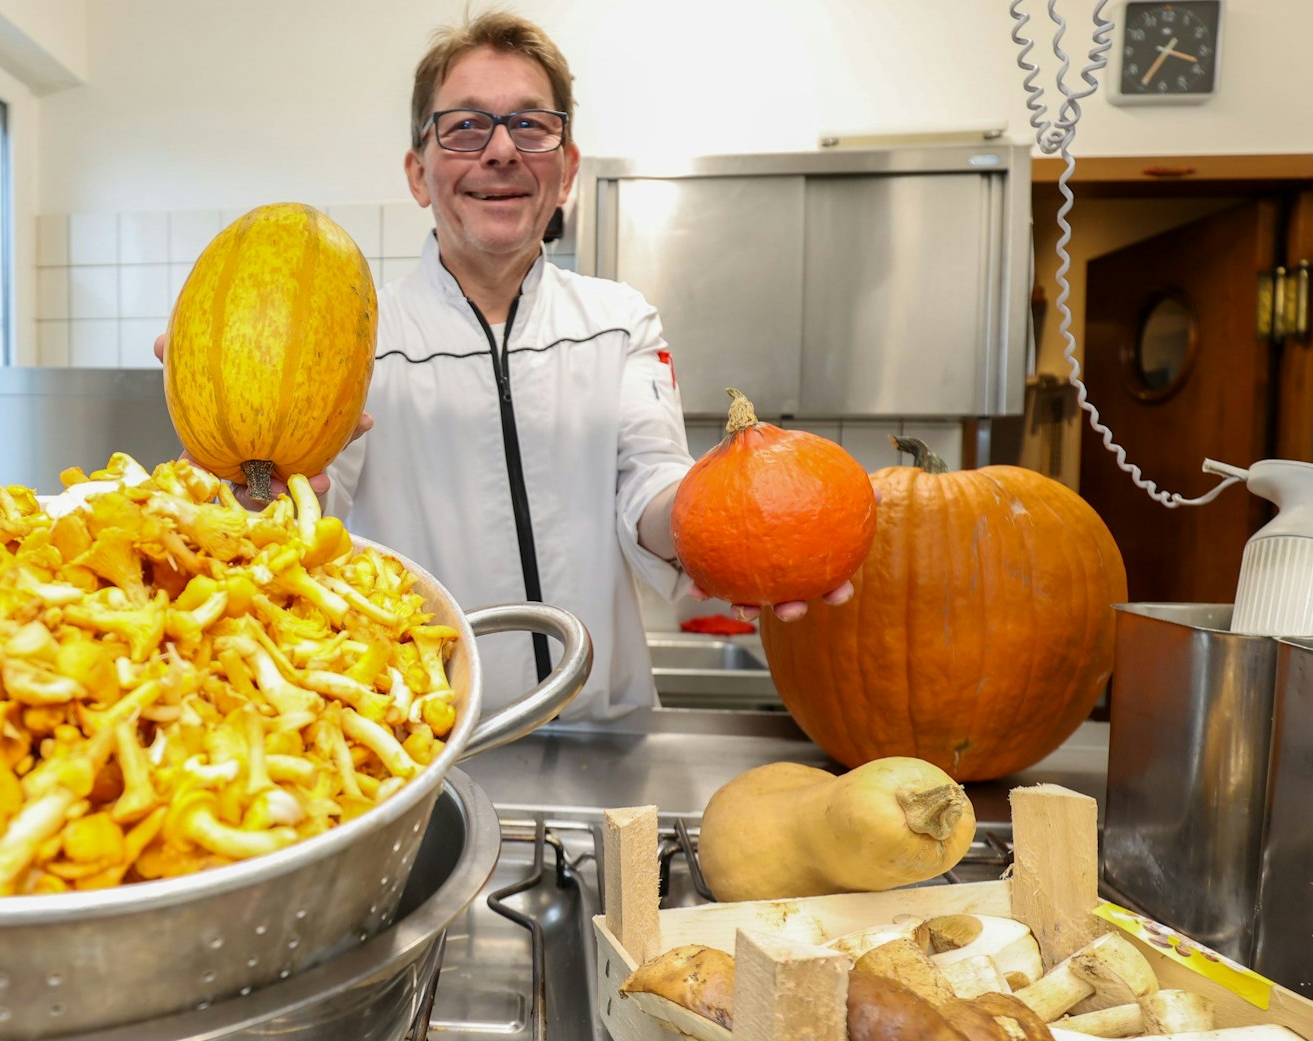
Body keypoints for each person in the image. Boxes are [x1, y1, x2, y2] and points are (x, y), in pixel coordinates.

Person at [164, 11, 853, 723]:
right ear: (418, 173)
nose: (500, 151)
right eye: (465, 126)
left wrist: (727, 530)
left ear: (568, 170)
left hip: (604, 741)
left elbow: (652, 481)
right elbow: (303, 517)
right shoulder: (353, 338)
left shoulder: (618, 322)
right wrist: (249, 476)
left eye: (530, 126)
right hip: (422, 749)